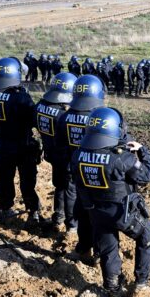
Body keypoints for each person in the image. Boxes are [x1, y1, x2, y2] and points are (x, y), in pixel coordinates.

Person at [70, 107, 150, 297]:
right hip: (122, 213)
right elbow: (145, 175)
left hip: (96, 211)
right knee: (148, 233)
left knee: (109, 250)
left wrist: (90, 208)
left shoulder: (78, 155)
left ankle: (113, 290)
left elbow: (78, 186)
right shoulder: (121, 157)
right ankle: (141, 284)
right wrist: (143, 151)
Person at [0, 57, 45, 224]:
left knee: (5, 178)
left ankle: (5, 209)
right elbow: (34, 119)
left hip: (3, 143)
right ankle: (33, 212)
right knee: (27, 181)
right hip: (23, 145)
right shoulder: (19, 97)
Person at [55, 74, 106, 263]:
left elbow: (59, 146)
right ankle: (100, 253)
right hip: (99, 174)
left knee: (83, 211)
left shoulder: (64, 117)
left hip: (76, 173)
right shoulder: (102, 119)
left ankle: (84, 249)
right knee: (100, 215)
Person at [35, 72, 77, 229]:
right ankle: (71, 226)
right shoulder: (65, 113)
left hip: (51, 153)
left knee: (59, 186)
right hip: (67, 157)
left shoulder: (40, 105)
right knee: (71, 190)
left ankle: (58, 216)